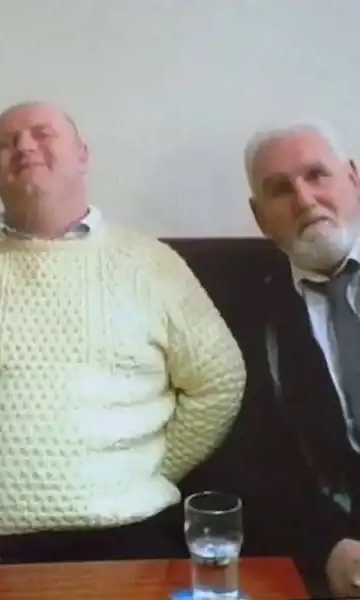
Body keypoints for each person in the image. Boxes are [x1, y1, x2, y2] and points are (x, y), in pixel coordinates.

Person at [0, 101, 246, 570]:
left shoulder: (152, 265)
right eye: (5, 143)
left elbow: (219, 379)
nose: (23, 146)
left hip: (135, 536)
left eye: (42, 133)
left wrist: (153, 470)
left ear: (83, 155)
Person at [244, 122, 360, 596]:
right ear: (260, 217)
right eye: (280, 190)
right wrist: (327, 547)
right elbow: (250, 463)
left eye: (317, 175)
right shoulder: (241, 310)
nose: (305, 200)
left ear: (354, 179)